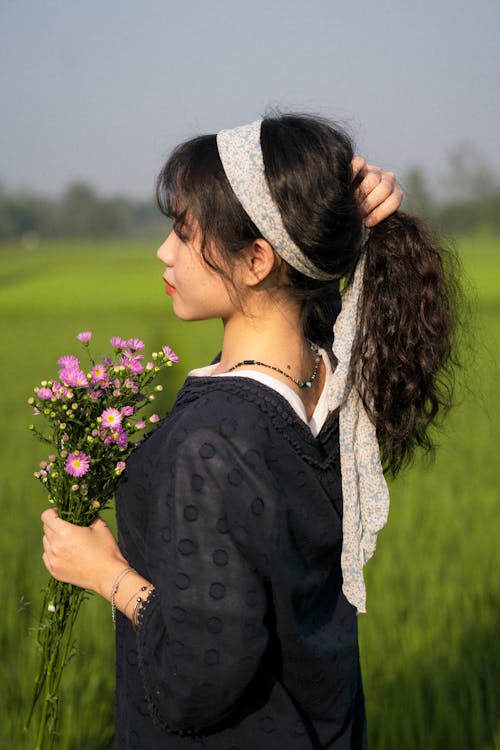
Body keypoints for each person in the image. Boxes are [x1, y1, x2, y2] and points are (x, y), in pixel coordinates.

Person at [40, 113, 457, 749]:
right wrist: (348, 206)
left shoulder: (213, 439)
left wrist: (103, 572)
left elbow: (194, 679)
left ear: (259, 259)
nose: (165, 252)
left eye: (183, 232)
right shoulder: (331, 374)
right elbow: (317, 285)